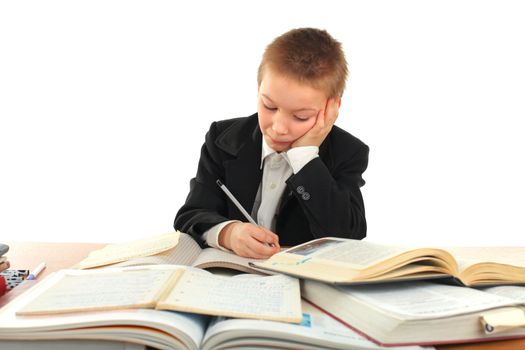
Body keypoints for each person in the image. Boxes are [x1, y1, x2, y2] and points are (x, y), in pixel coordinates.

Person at [175, 28, 369, 259]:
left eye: (300, 117)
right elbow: (191, 214)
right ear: (259, 90)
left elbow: (349, 235)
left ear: (331, 109)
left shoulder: (347, 152)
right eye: (269, 106)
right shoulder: (224, 138)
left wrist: (305, 157)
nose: (279, 127)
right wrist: (228, 232)